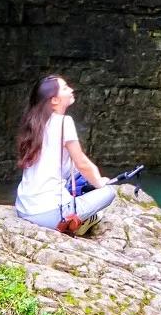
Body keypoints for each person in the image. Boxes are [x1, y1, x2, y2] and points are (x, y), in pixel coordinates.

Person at [15, 74, 115, 234]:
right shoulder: (64, 122)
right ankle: (79, 223)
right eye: (65, 88)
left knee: (79, 179)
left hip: (23, 209)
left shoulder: (35, 124)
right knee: (109, 192)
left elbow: (75, 167)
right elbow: (82, 163)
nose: (71, 89)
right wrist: (100, 183)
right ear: (54, 100)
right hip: (50, 214)